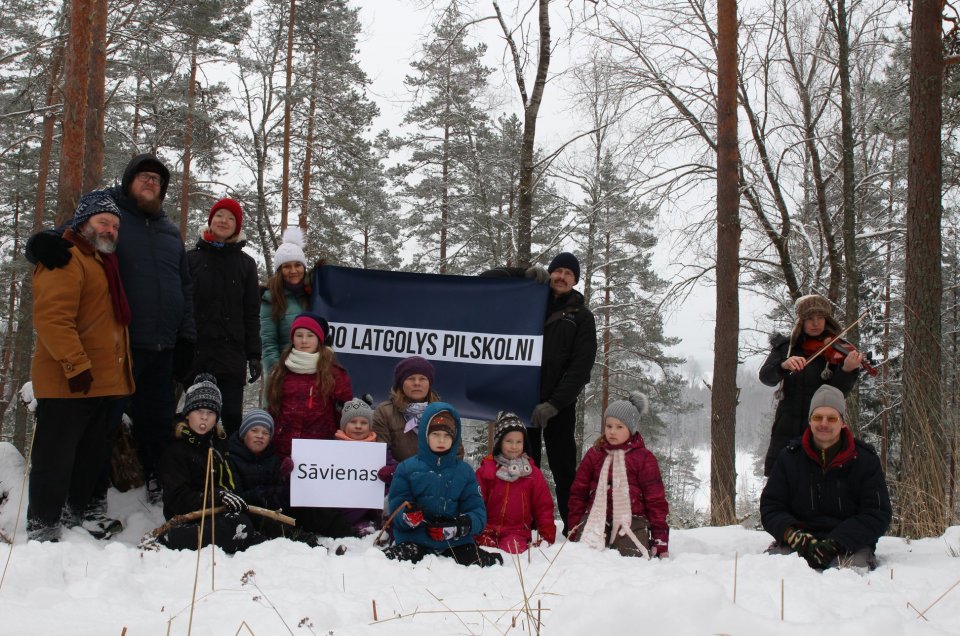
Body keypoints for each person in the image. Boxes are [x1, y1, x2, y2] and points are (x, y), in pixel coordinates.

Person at [27, 154, 197, 504]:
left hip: (163, 347)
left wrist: (186, 337)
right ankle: (93, 496)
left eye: (157, 180)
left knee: (157, 421)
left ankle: (155, 482)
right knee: (101, 428)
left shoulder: (169, 232)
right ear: (128, 181)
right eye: (144, 177)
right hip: (122, 346)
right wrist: (39, 243)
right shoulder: (110, 218)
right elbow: (69, 236)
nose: (151, 183)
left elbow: (185, 288)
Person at [27, 192, 135, 542]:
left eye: (116, 225)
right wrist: (75, 366)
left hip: (101, 382)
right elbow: (53, 319)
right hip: (68, 380)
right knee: (54, 460)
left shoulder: (103, 263)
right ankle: (43, 528)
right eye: (103, 222)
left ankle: (73, 518)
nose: (111, 230)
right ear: (83, 222)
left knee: (88, 458)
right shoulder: (65, 257)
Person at [481, 252, 597, 532]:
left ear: (575, 281)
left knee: (564, 468)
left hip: (559, 406)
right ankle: (524, 525)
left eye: (569, 274)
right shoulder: (529, 299)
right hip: (522, 402)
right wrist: (524, 274)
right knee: (519, 466)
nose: (562, 276)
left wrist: (555, 404)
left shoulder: (582, 316)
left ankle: (573, 527)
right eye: (558, 271)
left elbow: (580, 368)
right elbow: (486, 280)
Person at [760, 385, 892, 570]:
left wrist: (837, 542)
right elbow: (771, 506)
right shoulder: (789, 457)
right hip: (798, 545)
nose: (824, 423)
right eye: (817, 417)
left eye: (831, 418)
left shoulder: (865, 460)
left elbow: (878, 513)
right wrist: (794, 536)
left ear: (843, 422)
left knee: (849, 577)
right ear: (809, 420)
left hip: (849, 546)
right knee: (774, 570)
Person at [157, 374, 266, 553]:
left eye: (210, 413)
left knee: (252, 519)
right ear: (187, 414)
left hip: (216, 512)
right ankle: (175, 539)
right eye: (199, 411)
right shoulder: (176, 449)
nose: (204, 418)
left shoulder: (218, 442)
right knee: (239, 526)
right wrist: (215, 496)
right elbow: (176, 498)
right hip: (187, 516)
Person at [383, 403, 502, 567]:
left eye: (447, 435)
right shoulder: (407, 469)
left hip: (455, 543)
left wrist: (458, 527)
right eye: (435, 434)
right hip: (415, 540)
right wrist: (407, 517)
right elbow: (396, 506)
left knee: (481, 563)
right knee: (392, 561)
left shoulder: (465, 472)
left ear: (454, 438)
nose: (441, 440)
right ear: (425, 434)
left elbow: (477, 513)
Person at [759, 294, 864, 476]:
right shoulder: (786, 348)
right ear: (801, 321)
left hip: (821, 430)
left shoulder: (836, 348)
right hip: (786, 429)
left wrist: (846, 370)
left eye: (820, 318)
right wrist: (784, 365)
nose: (815, 323)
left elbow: (838, 393)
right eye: (810, 319)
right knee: (781, 484)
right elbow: (766, 377)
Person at [186, 197, 262, 435]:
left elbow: (251, 312)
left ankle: (231, 467)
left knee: (230, 416)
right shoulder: (190, 259)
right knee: (197, 416)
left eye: (231, 218)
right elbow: (182, 305)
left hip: (231, 354)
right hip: (195, 351)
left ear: (236, 227)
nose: (224, 221)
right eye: (220, 215)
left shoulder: (246, 264)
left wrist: (254, 355)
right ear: (210, 220)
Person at [567, 392, 669, 558]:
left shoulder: (644, 458)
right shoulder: (595, 454)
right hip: (596, 515)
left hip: (632, 519)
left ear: (631, 429)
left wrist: (660, 539)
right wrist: (574, 527)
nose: (612, 431)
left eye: (619, 427)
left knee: (630, 557)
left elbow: (656, 501)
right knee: (585, 554)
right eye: (609, 426)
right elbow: (579, 493)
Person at [265, 312, 353, 460]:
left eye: (310, 335)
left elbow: (344, 414)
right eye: (299, 335)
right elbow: (272, 410)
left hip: (321, 451)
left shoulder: (335, 373)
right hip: (282, 450)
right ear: (292, 339)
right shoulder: (280, 370)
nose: (304, 340)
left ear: (319, 339)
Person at [475, 411, 556, 554]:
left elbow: (543, 506)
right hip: (487, 529)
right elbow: (475, 502)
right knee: (484, 551)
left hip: (516, 532)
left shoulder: (532, 474)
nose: (514, 446)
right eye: (509, 441)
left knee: (512, 554)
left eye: (519, 442)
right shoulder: (486, 470)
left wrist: (546, 535)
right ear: (499, 442)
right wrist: (477, 527)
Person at [372, 356, 462, 475]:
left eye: (422, 378)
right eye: (410, 378)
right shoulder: (384, 412)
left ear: (429, 383)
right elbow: (381, 452)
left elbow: (457, 452)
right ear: (401, 383)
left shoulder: (443, 412)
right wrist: (405, 474)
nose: (417, 383)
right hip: (398, 481)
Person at [333, 397, 392, 536]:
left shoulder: (379, 450)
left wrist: (391, 471)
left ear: (370, 426)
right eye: (353, 422)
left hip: (370, 509)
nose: (358, 426)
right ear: (343, 425)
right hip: (341, 506)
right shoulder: (331, 449)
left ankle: (379, 524)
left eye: (364, 423)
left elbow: (397, 469)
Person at [260, 226, 311, 381]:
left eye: (297, 265)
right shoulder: (271, 298)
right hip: (285, 375)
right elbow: (269, 345)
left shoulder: (315, 295)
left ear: (304, 267)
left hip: (315, 375)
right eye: (287, 266)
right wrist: (278, 377)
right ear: (280, 270)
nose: (293, 270)